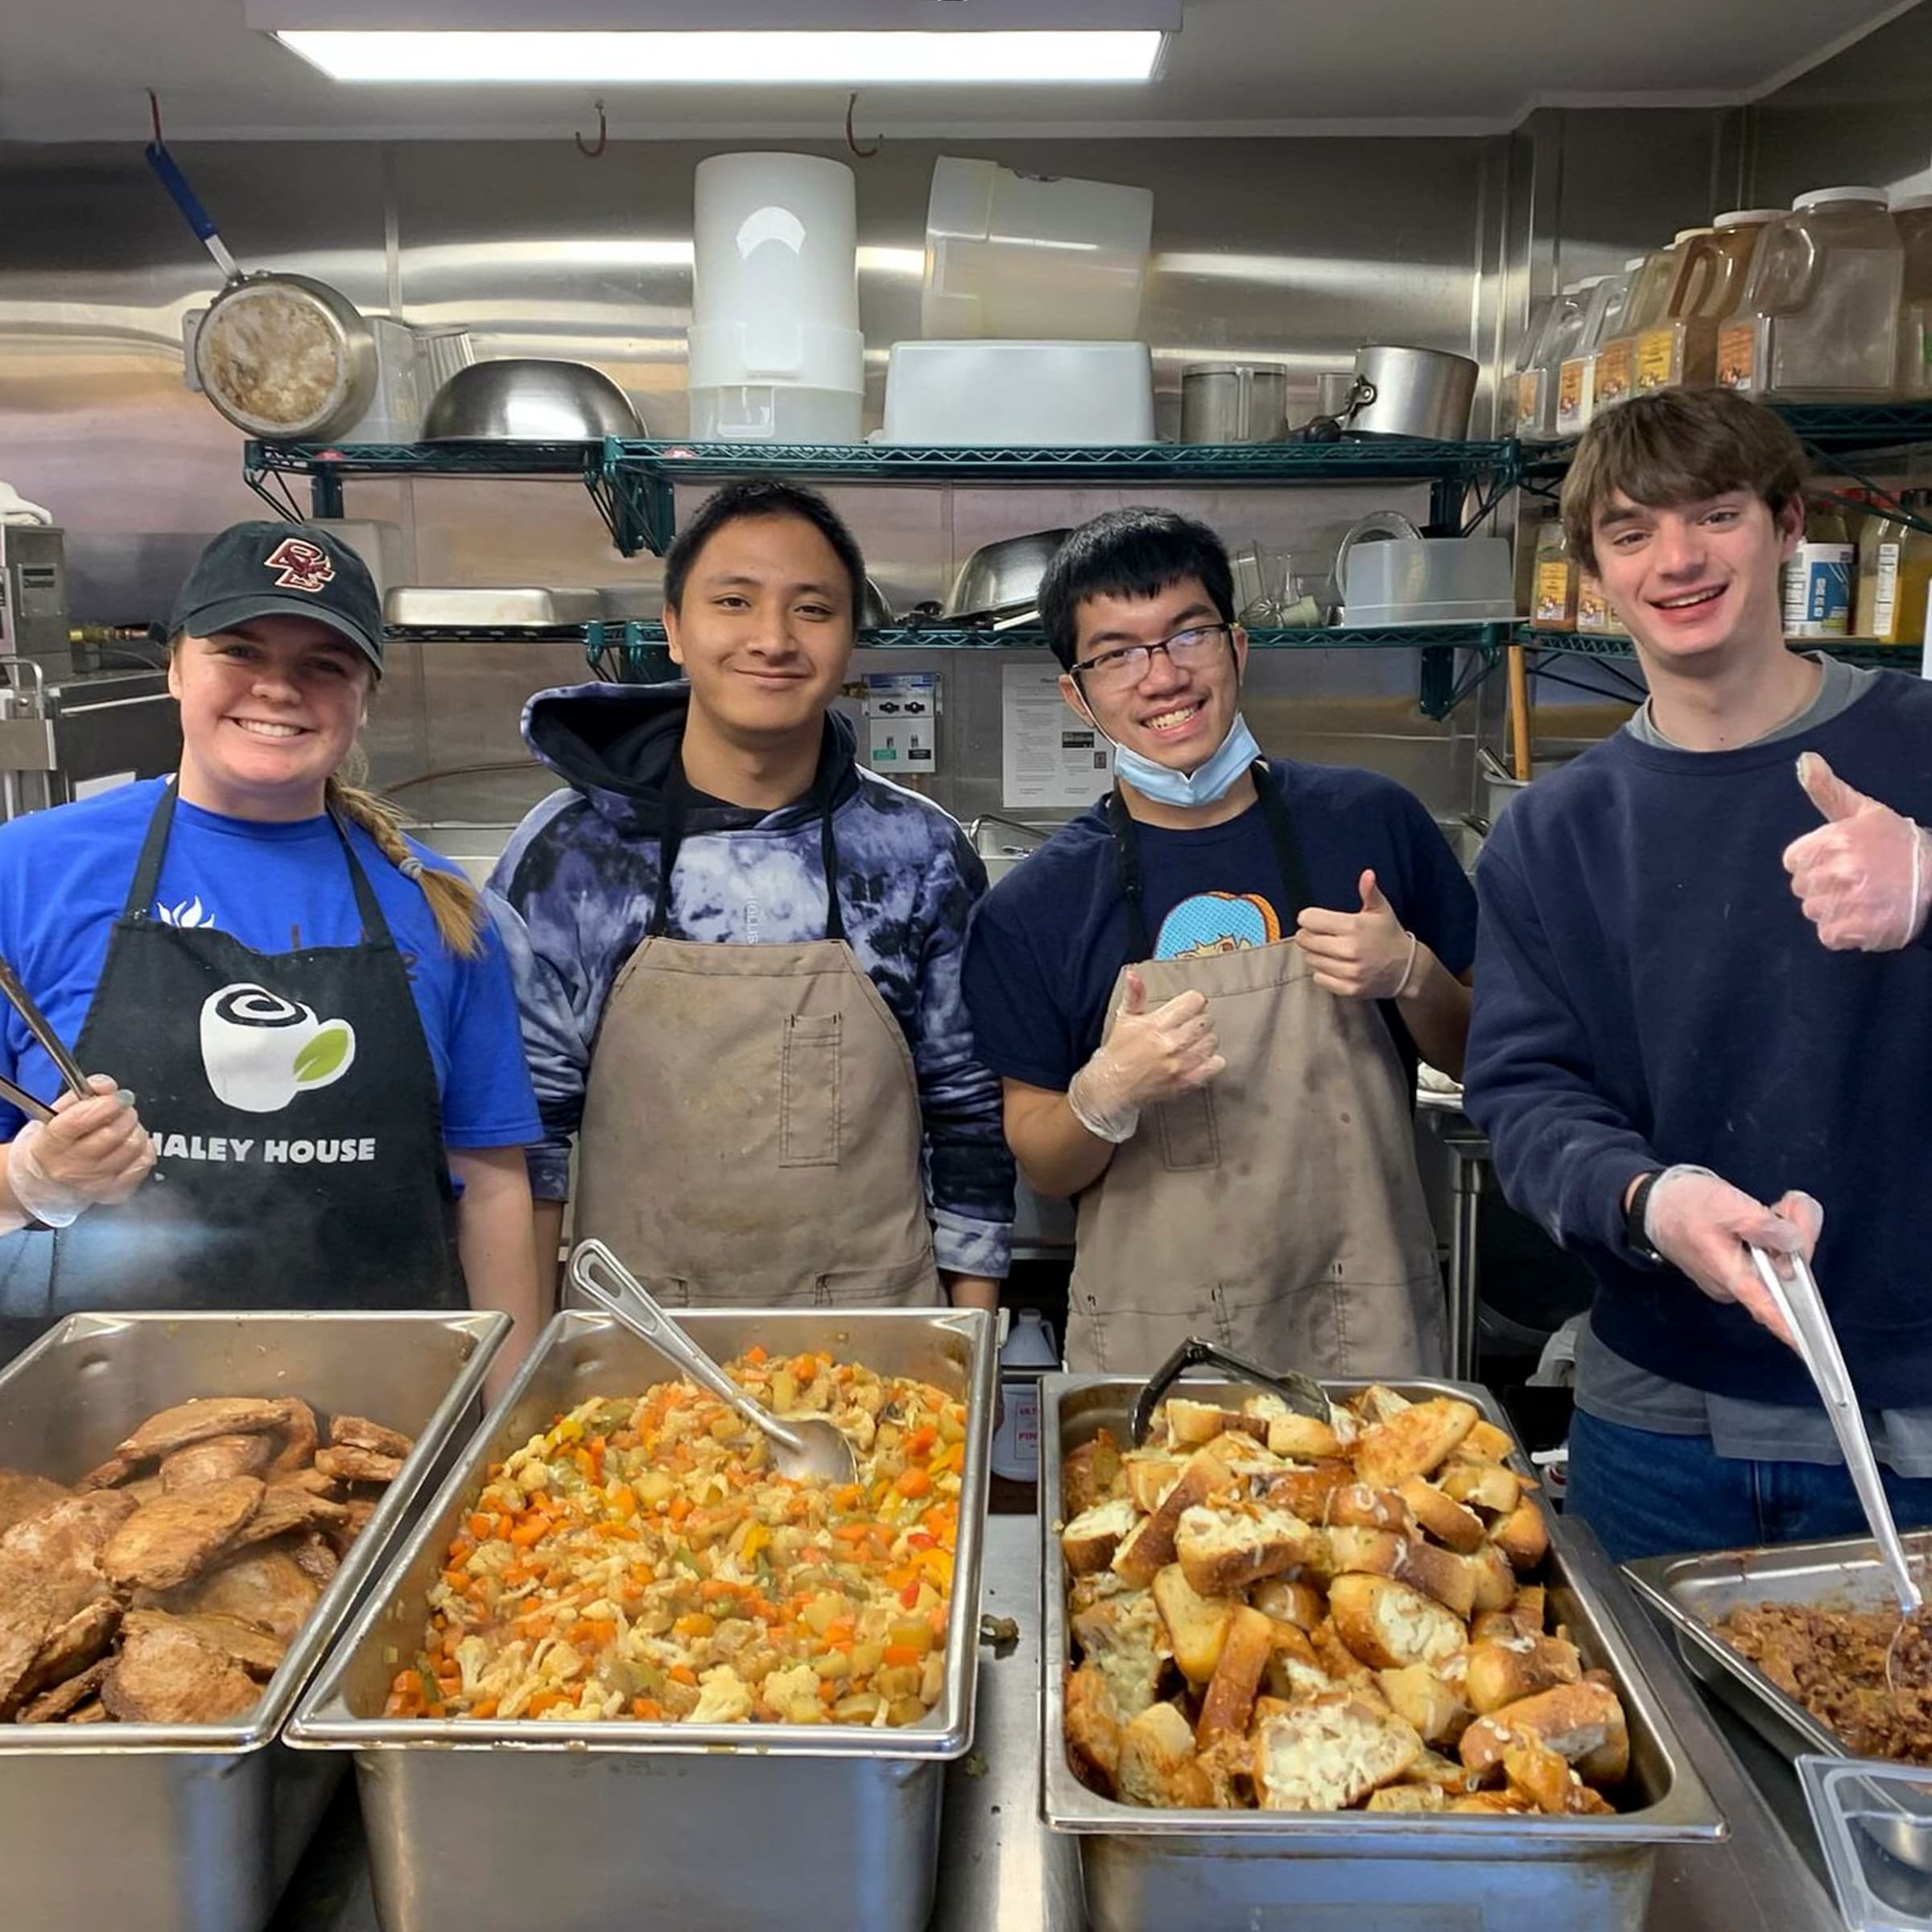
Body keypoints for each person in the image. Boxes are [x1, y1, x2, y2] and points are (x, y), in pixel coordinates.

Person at [1462, 386, 1932, 1563]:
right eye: (1631, 533)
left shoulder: (1921, 746)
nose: (1677, 560)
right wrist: (1645, 1198)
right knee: (1659, 1748)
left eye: (1714, 515)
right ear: (1597, 573)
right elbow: (1524, 1094)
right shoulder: (1557, 830)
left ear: (1786, 527)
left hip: (1917, 1415)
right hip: (1660, 1420)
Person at [0, 522, 543, 1364]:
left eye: (323, 665)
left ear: (367, 695)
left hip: (392, 1412)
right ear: (175, 665)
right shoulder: (27, 872)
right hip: (93, 1427)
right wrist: (28, 1179)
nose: (278, 689)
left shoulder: (438, 908)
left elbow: (493, 1187)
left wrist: (511, 1416)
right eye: (241, 651)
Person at [961, 507, 1476, 1373]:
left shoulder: (1370, 825)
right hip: (1153, 1349)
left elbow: (1481, 1054)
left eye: (1186, 634)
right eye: (1117, 653)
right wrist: (1104, 1094)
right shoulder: (1036, 906)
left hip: (1364, 1329)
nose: (1161, 676)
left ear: (1237, 647)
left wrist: (1414, 974)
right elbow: (1043, 1161)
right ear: (1076, 694)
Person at [488, 479, 1013, 1311]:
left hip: (879, 1359)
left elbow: (969, 1117)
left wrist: (971, 1349)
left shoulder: (918, 853)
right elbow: (525, 1132)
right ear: (674, 628)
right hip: (637, 1350)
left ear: (849, 638)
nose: (772, 639)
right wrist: (523, 1361)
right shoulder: (570, 852)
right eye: (734, 601)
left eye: (812, 609)